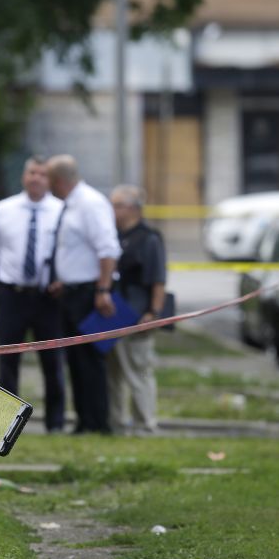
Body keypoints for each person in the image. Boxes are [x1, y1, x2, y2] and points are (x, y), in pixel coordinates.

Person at [0, 156, 66, 433]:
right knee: (8, 360)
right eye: (31, 173)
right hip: (12, 295)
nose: (36, 178)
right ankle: (5, 426)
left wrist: (65, 279)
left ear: (50, 179)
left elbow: (72, 252)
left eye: (42, 174)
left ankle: (56, 425)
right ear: (24, 176)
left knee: (52, 362)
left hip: (48, 298)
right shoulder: (4, 209)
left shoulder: (62, 211)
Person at [45, 155, 121, 434]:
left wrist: (103, 289)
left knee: (90, 361)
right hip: (71, 292)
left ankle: (97, 423)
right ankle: (84, 420)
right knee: (76, 360)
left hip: (89, 293)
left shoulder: (90, 203)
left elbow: (108, 249)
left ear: (60, 181)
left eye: (50, 181)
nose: (48, 186)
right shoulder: (71, 205)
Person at [107, 185, 167, 435]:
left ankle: (145, 425)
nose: (112, 210)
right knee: (113, 374)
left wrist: (153, 312)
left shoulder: (149, 238)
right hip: (112, 314)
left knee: (138, 372)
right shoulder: (113, 235)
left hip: (137, 314)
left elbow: (158, 280)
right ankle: (116, 424)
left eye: (117, 205)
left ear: (132, 208)